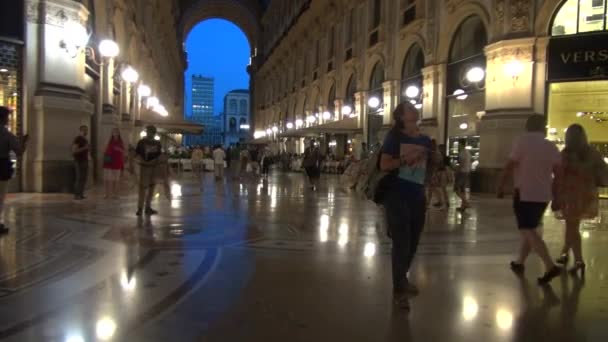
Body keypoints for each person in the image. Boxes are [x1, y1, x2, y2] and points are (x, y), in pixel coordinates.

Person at [497, 114, 563, 284]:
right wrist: (557, 195)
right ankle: (520, 262)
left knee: (527, 228)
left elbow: (510, 164)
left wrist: (501, 185)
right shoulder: (550, 146)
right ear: (544, 127)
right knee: (530, 228)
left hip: (524, 192)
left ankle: (550, 266)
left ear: (527, 125)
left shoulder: (522, 141)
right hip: (543, 194)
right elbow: (559, 173)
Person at [378, 102, 431, 309]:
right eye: (409, 108)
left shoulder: (425, 139)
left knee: (413, 242)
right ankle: (399, 289)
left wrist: (433, 159)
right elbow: (384, 164)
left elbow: (429, 168)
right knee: (401, 243)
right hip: (396, 195)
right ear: (401, 116)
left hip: (418, 194)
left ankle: (402, 279)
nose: (414, 110)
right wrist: (405, 159)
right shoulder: (394, 137)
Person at [554, 124, 606, 275]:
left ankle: (579, 261)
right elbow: (603, 169)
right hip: (586, 195)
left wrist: (556, 195)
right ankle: (565, 253)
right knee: (572, 226)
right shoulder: (591, 153)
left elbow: (558, 176)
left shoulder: (566, 154)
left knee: (572, 227)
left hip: (569, 195)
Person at [0, 107, 27, 234]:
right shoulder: (7, 135)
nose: (9, 119)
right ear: (4, 118)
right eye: (7, 117)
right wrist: (24, 142)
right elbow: (19, 152)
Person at [135, 125, 162, 216]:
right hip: (144, 167)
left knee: (151, 188)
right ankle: (140, 208)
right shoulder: (141, 142)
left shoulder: (158, 143)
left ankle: (147, 207)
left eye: (150, 132)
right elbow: (137, 153)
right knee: (142, 188)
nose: (149, 133)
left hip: (154, 167)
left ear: (153, 133)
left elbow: (159, 155)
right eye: (148, 131)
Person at [102, 127, 125, 199]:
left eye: (117, 132)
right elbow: (104, 150)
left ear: (119, 133)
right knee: (107, 179)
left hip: (117, 162)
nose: (115, 133)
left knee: (116, 180)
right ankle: (107, 194)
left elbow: (124, 151)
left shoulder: (121, 142)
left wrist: (119, 149)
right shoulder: (109, 141)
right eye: (114, 132)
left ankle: (115, 195)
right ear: (112, 133)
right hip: (108, 162)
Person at [72, 125, 89, 200]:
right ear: (80, 131)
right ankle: (76, 195)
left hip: (85, 160)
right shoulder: (78, 139)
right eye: (84, 130)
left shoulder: (85, 139)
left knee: (84, 178)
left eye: (86, 130)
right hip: (79, 161)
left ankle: (81, 194)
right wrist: (84, 148)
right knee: (79, 178)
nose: (86, 132)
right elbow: (74, 150)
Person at [454, 139, 472, 211]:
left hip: (462, 173)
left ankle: (466, 203)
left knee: (456, 189)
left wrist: (456, 171)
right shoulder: (468, 152)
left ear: (461, 144)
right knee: (462, 190)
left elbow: (461, 164)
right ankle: (463, 206)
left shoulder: (462, 153)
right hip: (467, 172)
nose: (458, 146)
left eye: (458, 144)